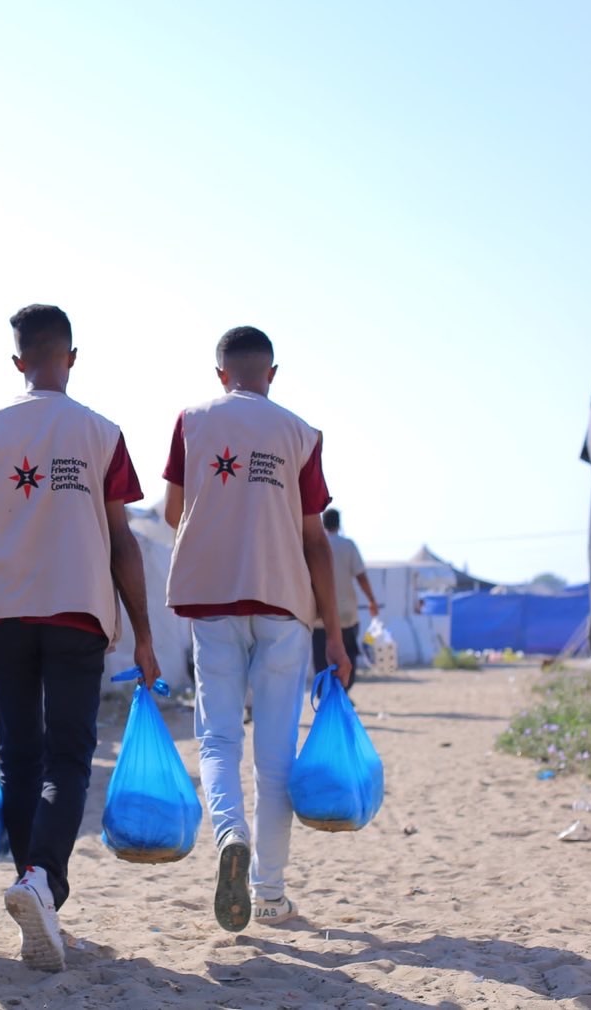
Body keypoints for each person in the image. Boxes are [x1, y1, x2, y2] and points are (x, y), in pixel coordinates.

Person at [0, 304, 160, 972]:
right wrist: (145, 635)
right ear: (71, 356)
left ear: (17, 361)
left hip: (2, 614)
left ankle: (33, 894)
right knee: (68, 757)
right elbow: (123, 541)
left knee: (20, 758)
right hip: (77, 612)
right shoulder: (101, 432)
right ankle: (43, 885)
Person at [163, 325, 350, 933]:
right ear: (271, 373)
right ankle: (269, 892)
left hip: (211, 600)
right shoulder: (299, 432)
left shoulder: (192, 420)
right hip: (283, 605)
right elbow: (314, 541)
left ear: (221, 374)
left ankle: (228, 835)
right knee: (275, 757)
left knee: (217, 740)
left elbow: (172, 511)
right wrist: (338, 638)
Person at [312, 508, 381, 684]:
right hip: (346, 615)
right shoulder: (348, 545)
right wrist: (372, 600)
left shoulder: (315, 544)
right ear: (339, 523)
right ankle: (343, 691)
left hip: (319, 615)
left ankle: (325, 696)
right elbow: (361, 576)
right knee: (348, 657)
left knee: (321, 659)